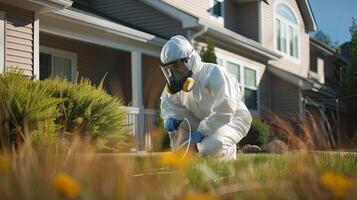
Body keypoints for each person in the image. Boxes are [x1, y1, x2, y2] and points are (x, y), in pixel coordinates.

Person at [159, 35, 252, 160]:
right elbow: (169, 106)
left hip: (233, 119)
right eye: (169, 69)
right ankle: (185, 164)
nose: (173, 74)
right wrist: (170, 118)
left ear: (189, 60)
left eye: (176, 67)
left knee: (208, 147)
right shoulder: (177, 86)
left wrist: (201, 132)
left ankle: (228, 160)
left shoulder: (213, 73)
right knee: (178, 127)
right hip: (205, 120)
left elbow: (225, 110)